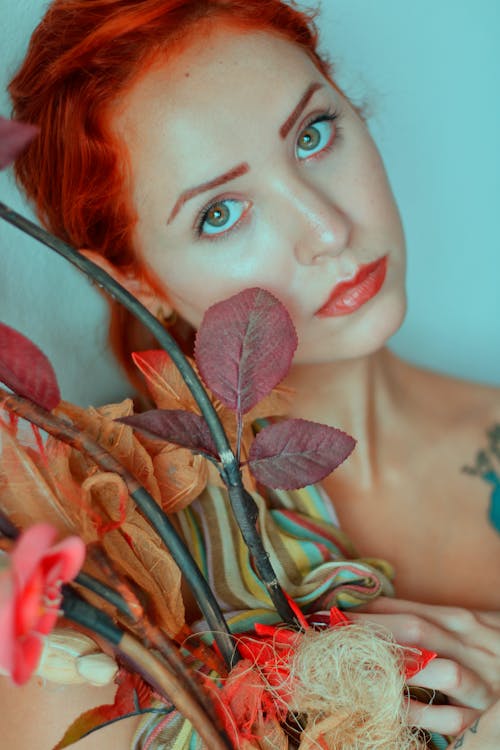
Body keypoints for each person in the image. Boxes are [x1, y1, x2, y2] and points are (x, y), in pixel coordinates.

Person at [1, 1, 499, 748]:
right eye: (221, 213)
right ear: (135, 280)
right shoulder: (100, 564)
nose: (329, 230)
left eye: (313, 134)